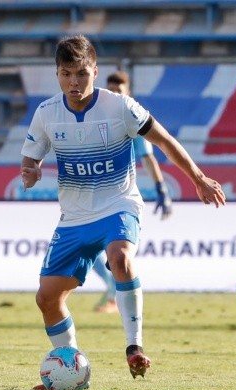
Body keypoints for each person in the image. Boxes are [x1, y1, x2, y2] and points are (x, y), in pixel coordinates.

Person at [20, 34, 226, 388]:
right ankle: (73, 367)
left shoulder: (121, 107)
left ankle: (134, 346)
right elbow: (30, 158)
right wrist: (31, 171)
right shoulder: (46, 113)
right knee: (47, 298)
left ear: (95, 71)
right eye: (66, 74)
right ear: (57, 74)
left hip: (119, 204)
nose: (74, 82)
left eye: (81, 73)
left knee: (121, 258)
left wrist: (198, 177)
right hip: (75, 217)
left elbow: (164, 140)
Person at [92, 70, 172, 314]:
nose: (114, 95)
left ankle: (115, 294)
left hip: (118, 197)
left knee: (113, 251)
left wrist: (161, 188)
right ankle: (113, 291)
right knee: (90, 251)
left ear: (128, 94)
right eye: (110, 90)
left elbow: (148, 157)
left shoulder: (131, 119)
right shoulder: (91, 116)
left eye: (119, 91)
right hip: (89, 195)